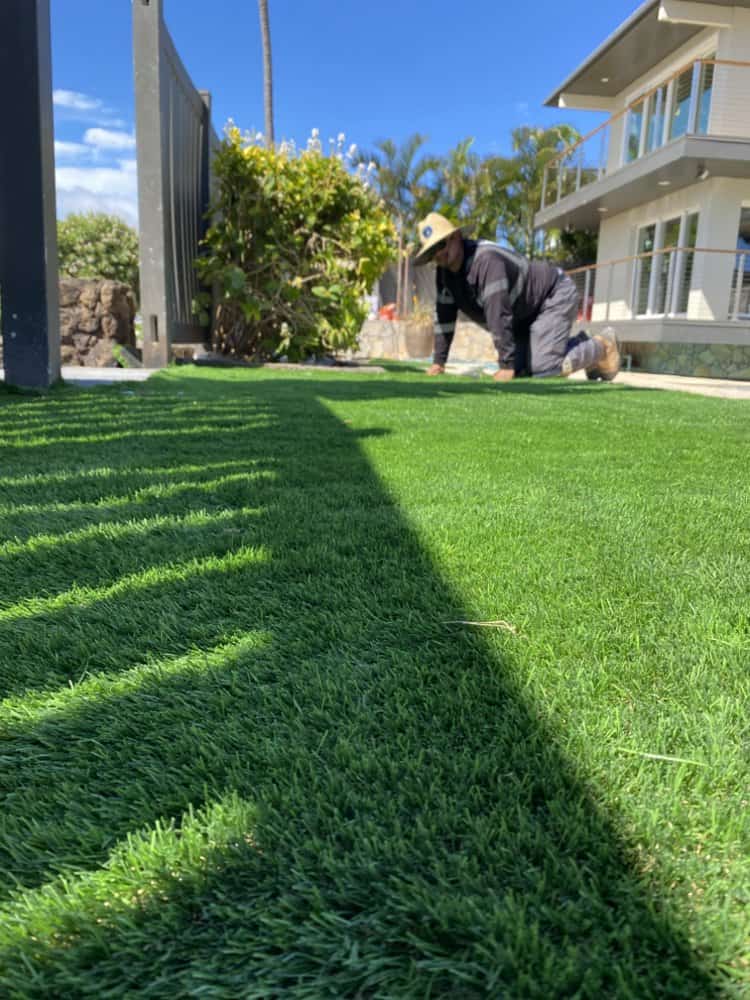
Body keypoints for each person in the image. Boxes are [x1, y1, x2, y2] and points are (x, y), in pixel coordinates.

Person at [413, 212, 620, 382]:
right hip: (523, 316)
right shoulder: (444, 275)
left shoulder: (485, 261)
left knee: (545, 368)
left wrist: (506, 364)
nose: (438, 255)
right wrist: (438, 362)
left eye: (441, 245)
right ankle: (585, 346)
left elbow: (498, 313)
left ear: (456, 236)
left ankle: (602, 346)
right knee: (522, 371)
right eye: (432, 252)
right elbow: (444, 318)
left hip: (553, 294)